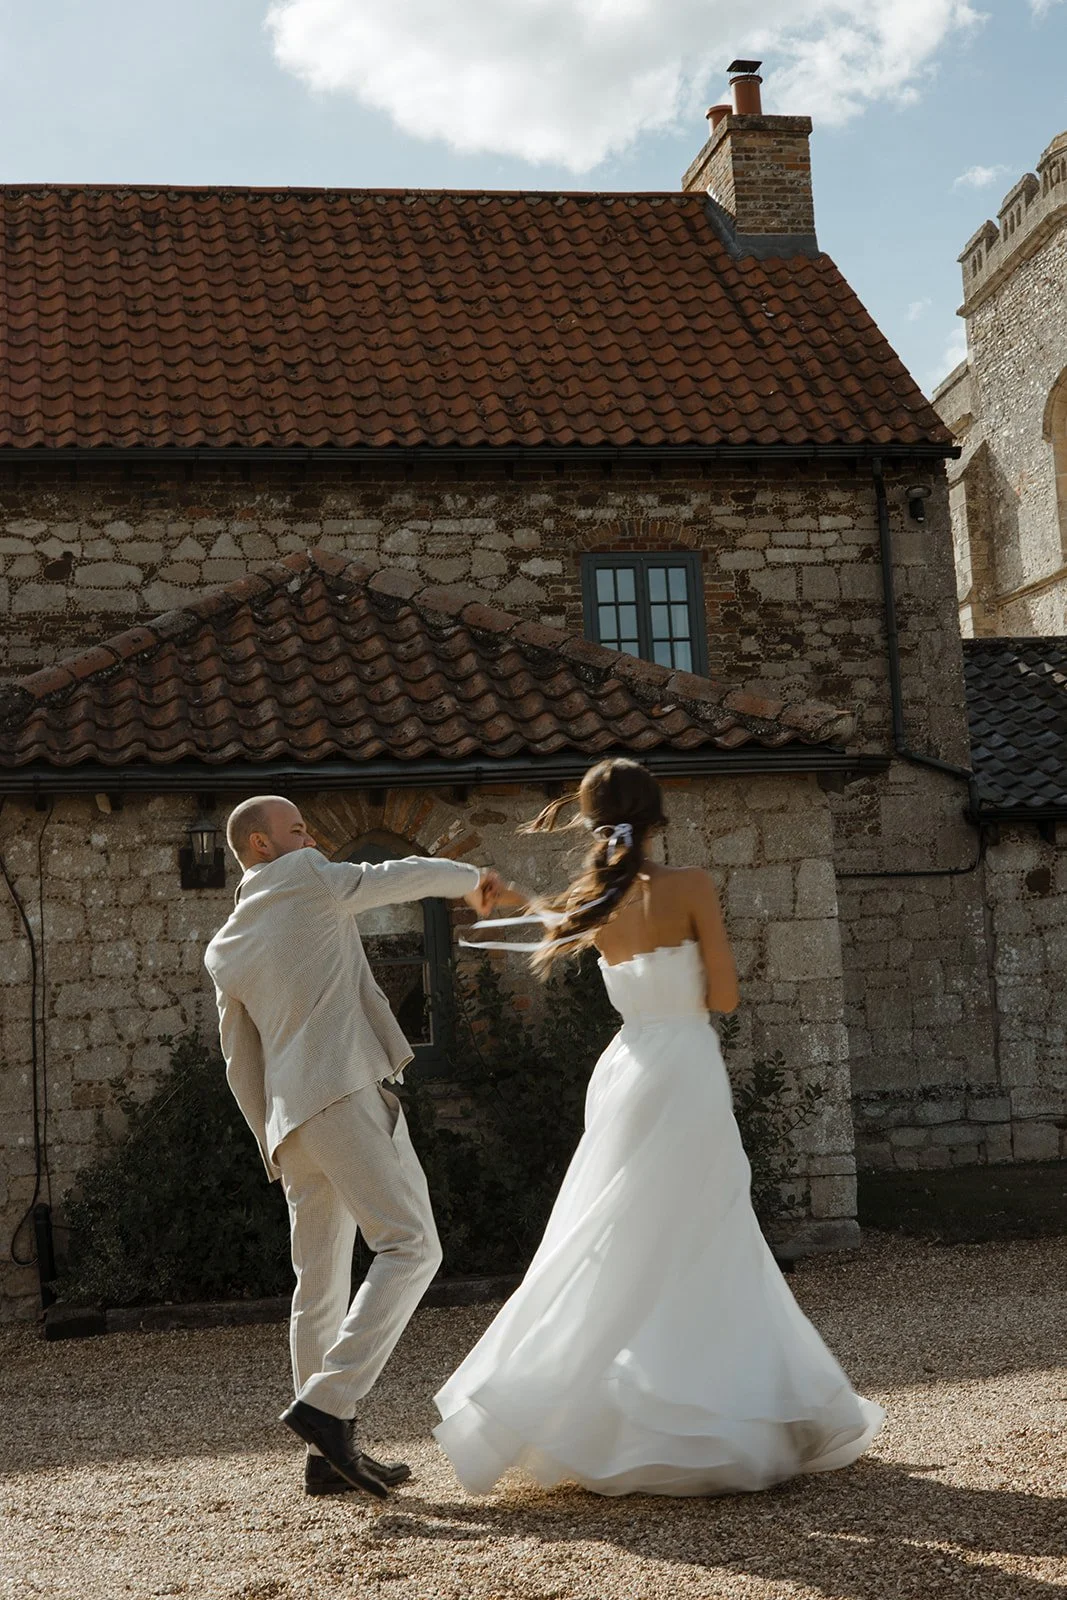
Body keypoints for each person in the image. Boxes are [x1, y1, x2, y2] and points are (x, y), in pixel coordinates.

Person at [434, 757, 884, 1497]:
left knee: (612, 1233)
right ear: (657, 816)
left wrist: (516, 896)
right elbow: (728, 997)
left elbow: (551, 924)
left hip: (623, 1073)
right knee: (704, 1229)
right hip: (683, 1067)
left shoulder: (595, 897)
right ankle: (723, 1409)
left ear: (589, 821)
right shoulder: (690, 886)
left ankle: (561, 1404)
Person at [204, 795, 501, 1499]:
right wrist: (470, 879)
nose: (312, 835)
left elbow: (235, 1057)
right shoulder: (307, 875)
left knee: (320, 1284)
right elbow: (394, 875)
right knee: (411, 1246)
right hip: (341, 1094)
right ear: (259, 844)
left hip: (292, 1121)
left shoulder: (225, 944)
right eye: (298, 827)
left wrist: (269, 1139)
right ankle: (326, 1407)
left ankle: (323, 1460)